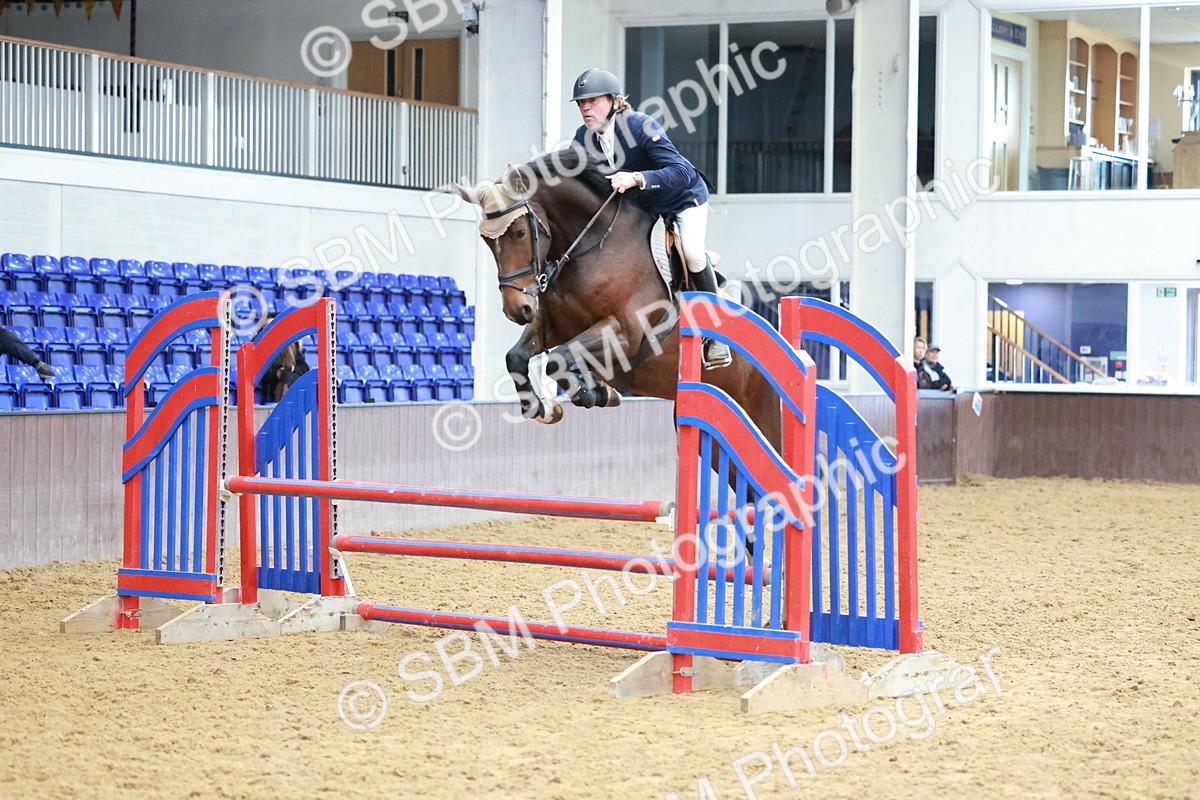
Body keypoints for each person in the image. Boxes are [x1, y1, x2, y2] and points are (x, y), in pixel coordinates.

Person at [569, 67, 731, 370]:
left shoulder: (641, 125)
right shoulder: (583, 138)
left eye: (593, 101)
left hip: (682, 198)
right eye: (581, 103)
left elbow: (681, 172)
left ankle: (716, 333)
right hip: (642, 210)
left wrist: (637, 178)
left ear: (615, 102)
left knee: (693, 252)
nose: (585, 108)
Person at [259, 322, 310, 403]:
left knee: (294, 377)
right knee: (286, 375)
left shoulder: (293, 346)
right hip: (273, 384)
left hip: (291, 378)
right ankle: (284, 404)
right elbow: (264, 373)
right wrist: (278, 372)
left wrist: (292, 369)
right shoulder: (264, 348)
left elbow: (304, 368)